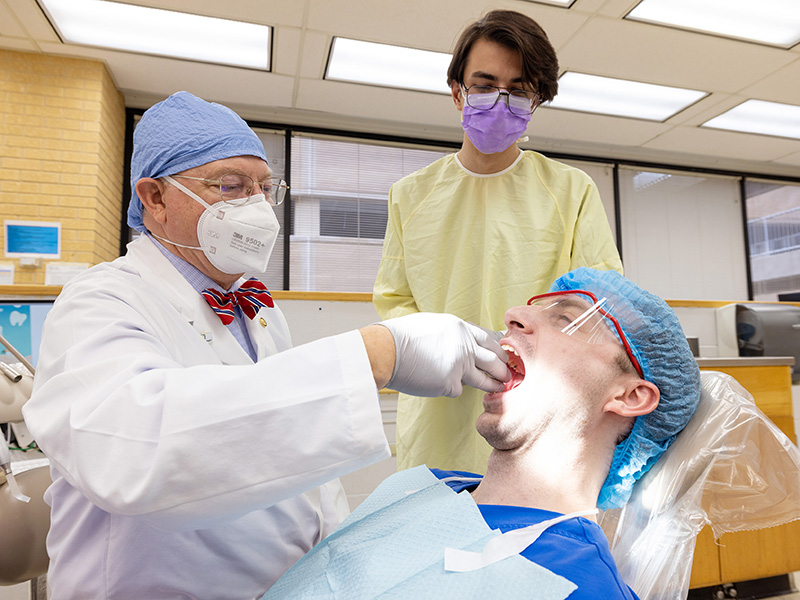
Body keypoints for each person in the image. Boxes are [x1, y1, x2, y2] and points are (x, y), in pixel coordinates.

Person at [21, 91, 511, 600]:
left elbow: (297, 463)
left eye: (264, 188)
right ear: (155, 198)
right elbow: (139, 453)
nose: (255, 206)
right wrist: (375, 356)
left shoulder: (259, 310)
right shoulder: (99, 302)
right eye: (230, 186)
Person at [265, 268, 701, 599]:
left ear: (631, 396)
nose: (514, 314)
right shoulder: (419, 488)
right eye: (533, 306)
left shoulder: (577, 584)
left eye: (568, 318)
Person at [373, 9, 624, 475]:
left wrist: (530, 356)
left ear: (536, 104)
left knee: (531, 538)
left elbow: (598, 301)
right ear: (457, 92)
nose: (501, 100)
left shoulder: (571, 191)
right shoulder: (410, 195)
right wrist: (444, 351)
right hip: (438, 415)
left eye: (520, 90)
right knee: (439, 532)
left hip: (542, 412)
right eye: (485, 85)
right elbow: (394, 299)